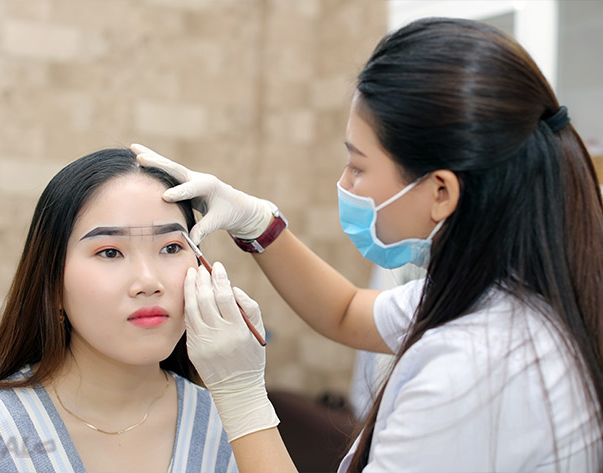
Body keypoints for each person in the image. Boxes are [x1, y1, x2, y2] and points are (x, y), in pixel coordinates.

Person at [131, 17, 603, 472]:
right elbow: (345, 312)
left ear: (441, 191)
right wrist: (258, 224)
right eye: (109, 251)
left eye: (358, 166)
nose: (344, 184)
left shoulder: (476, 372)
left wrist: (241, 396)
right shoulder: (500, 291)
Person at [0, 149, 238, 472]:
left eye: (171, 247)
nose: (149, 282)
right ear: (52, 283)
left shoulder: (236, 430)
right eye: (110, 252)